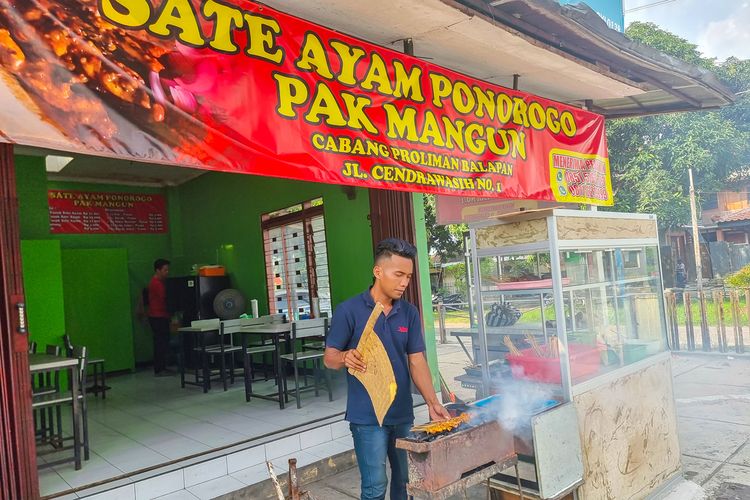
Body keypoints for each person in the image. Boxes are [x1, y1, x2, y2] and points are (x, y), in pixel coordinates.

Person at [324, 238, 451, 500]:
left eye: (408, 276)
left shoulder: (409, 312)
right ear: (378, 272)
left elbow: (416, 360)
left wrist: (432, 402)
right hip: (367, 417)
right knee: (375, 485)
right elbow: (330, 358)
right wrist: (346, 357)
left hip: (402, 414)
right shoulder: (349, 310)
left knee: (406, 481)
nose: (404, 282)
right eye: (399, 274)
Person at [148, 258, 171, 376]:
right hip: (158, 316)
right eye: (165, 270)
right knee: (160, 343)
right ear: (158, 270)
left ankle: (162, 367)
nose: (167, 272)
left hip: (159, 315)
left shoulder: (157, 282)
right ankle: (160, 369)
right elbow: (164, 298)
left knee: (162, 342)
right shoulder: (156, 284)